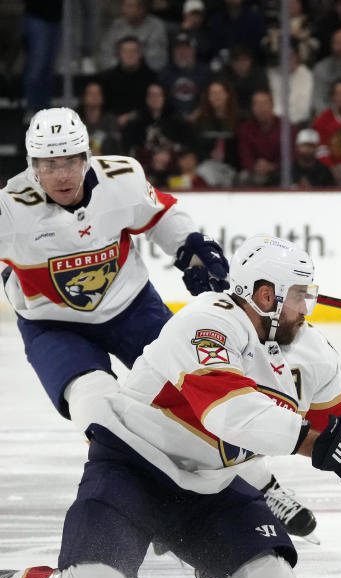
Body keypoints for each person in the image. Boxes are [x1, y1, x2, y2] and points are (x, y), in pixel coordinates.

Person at [0, 235, 341, 578]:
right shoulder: (206, 323)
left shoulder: (311, 351)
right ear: (263, 295)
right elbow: (230, 414)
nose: (306, 307)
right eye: (298, 295)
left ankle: (192, 545)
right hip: (132, 472)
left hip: (210, 488)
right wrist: (314, 443)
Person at [0, 107, 228, 441]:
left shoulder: (122, 179)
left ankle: (260, 484)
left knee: (198, 393)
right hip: (53, 326)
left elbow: (161, 214)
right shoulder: (9, 210)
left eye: (70, 161)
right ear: (33, 166)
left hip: (132, 309)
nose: (61, 175)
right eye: (49, 164)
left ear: (87, 158)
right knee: (99, 411)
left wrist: (194, 254)